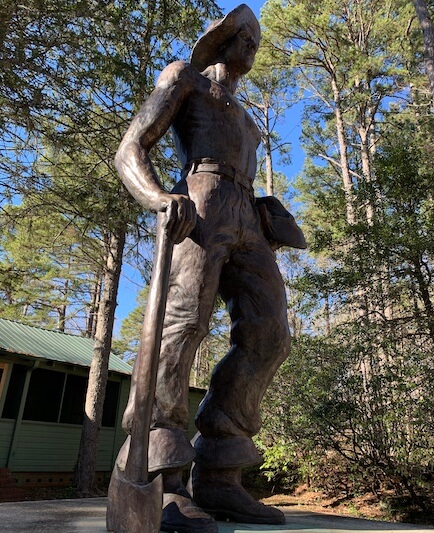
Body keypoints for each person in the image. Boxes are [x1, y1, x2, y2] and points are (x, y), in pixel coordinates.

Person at [114, 5, 306, 532]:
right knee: (183, 323)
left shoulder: (247, 119)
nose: (252, 47)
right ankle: (164, 477)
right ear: (220, 40)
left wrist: (269, 214)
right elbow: (130, 147)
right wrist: (156, 197)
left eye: (257, 41)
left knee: (270, 334)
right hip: (199, 201)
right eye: (245, 36)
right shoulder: (185, 80)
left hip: (248, 215)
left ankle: (220, 473)